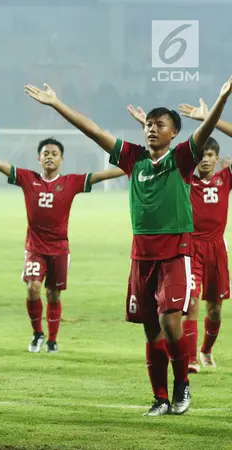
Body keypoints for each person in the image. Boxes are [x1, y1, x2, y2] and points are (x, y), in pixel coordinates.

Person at [25, 78, 232, 416]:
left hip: (176, 253)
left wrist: (222, 99)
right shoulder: (132, 157)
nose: (151, 129)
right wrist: (56, 103)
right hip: (141, 256)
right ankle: (160, 397)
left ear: (173, 133)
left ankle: (182, 385)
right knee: (151, 331)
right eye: (148, 124)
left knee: (170, 324)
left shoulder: (181, 158)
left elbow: (205, 128)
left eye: (159, 125)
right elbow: (93, 129)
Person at [0, 136, 123, 353]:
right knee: (33, 288)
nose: (49, 157)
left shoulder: (71, 182)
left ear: (61, 159)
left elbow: (102, 175)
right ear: (39, 158)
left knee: (53, 294)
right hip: (35, 248)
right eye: (45, 154)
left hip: (59, 249)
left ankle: (52, 340)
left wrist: (133, 165)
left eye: (54, 154)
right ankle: (37, 333)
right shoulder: (28, 179)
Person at [132, 101, 230, 371]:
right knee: (192, 304)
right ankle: (189, 361)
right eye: (203, 155)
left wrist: (208, 118)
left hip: (217, 249)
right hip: (188, 248)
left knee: (215, 308)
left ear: (217, 159)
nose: (206, 160)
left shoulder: (226, 178)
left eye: (212, 155)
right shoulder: (183, 174)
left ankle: (206, 349)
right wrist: (148, 127)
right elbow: (163, 153)